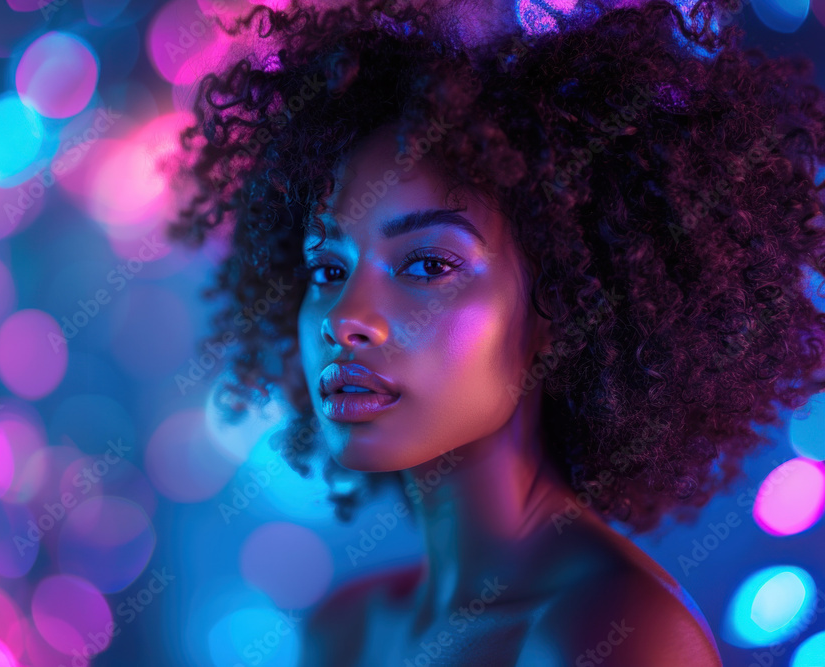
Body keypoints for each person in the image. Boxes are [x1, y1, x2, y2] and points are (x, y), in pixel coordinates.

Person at [167, 0, 825, 663]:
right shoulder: (344, 629)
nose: (345, 318)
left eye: (428, 264)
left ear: (564, 304)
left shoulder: (615, 636)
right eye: (328, 267)